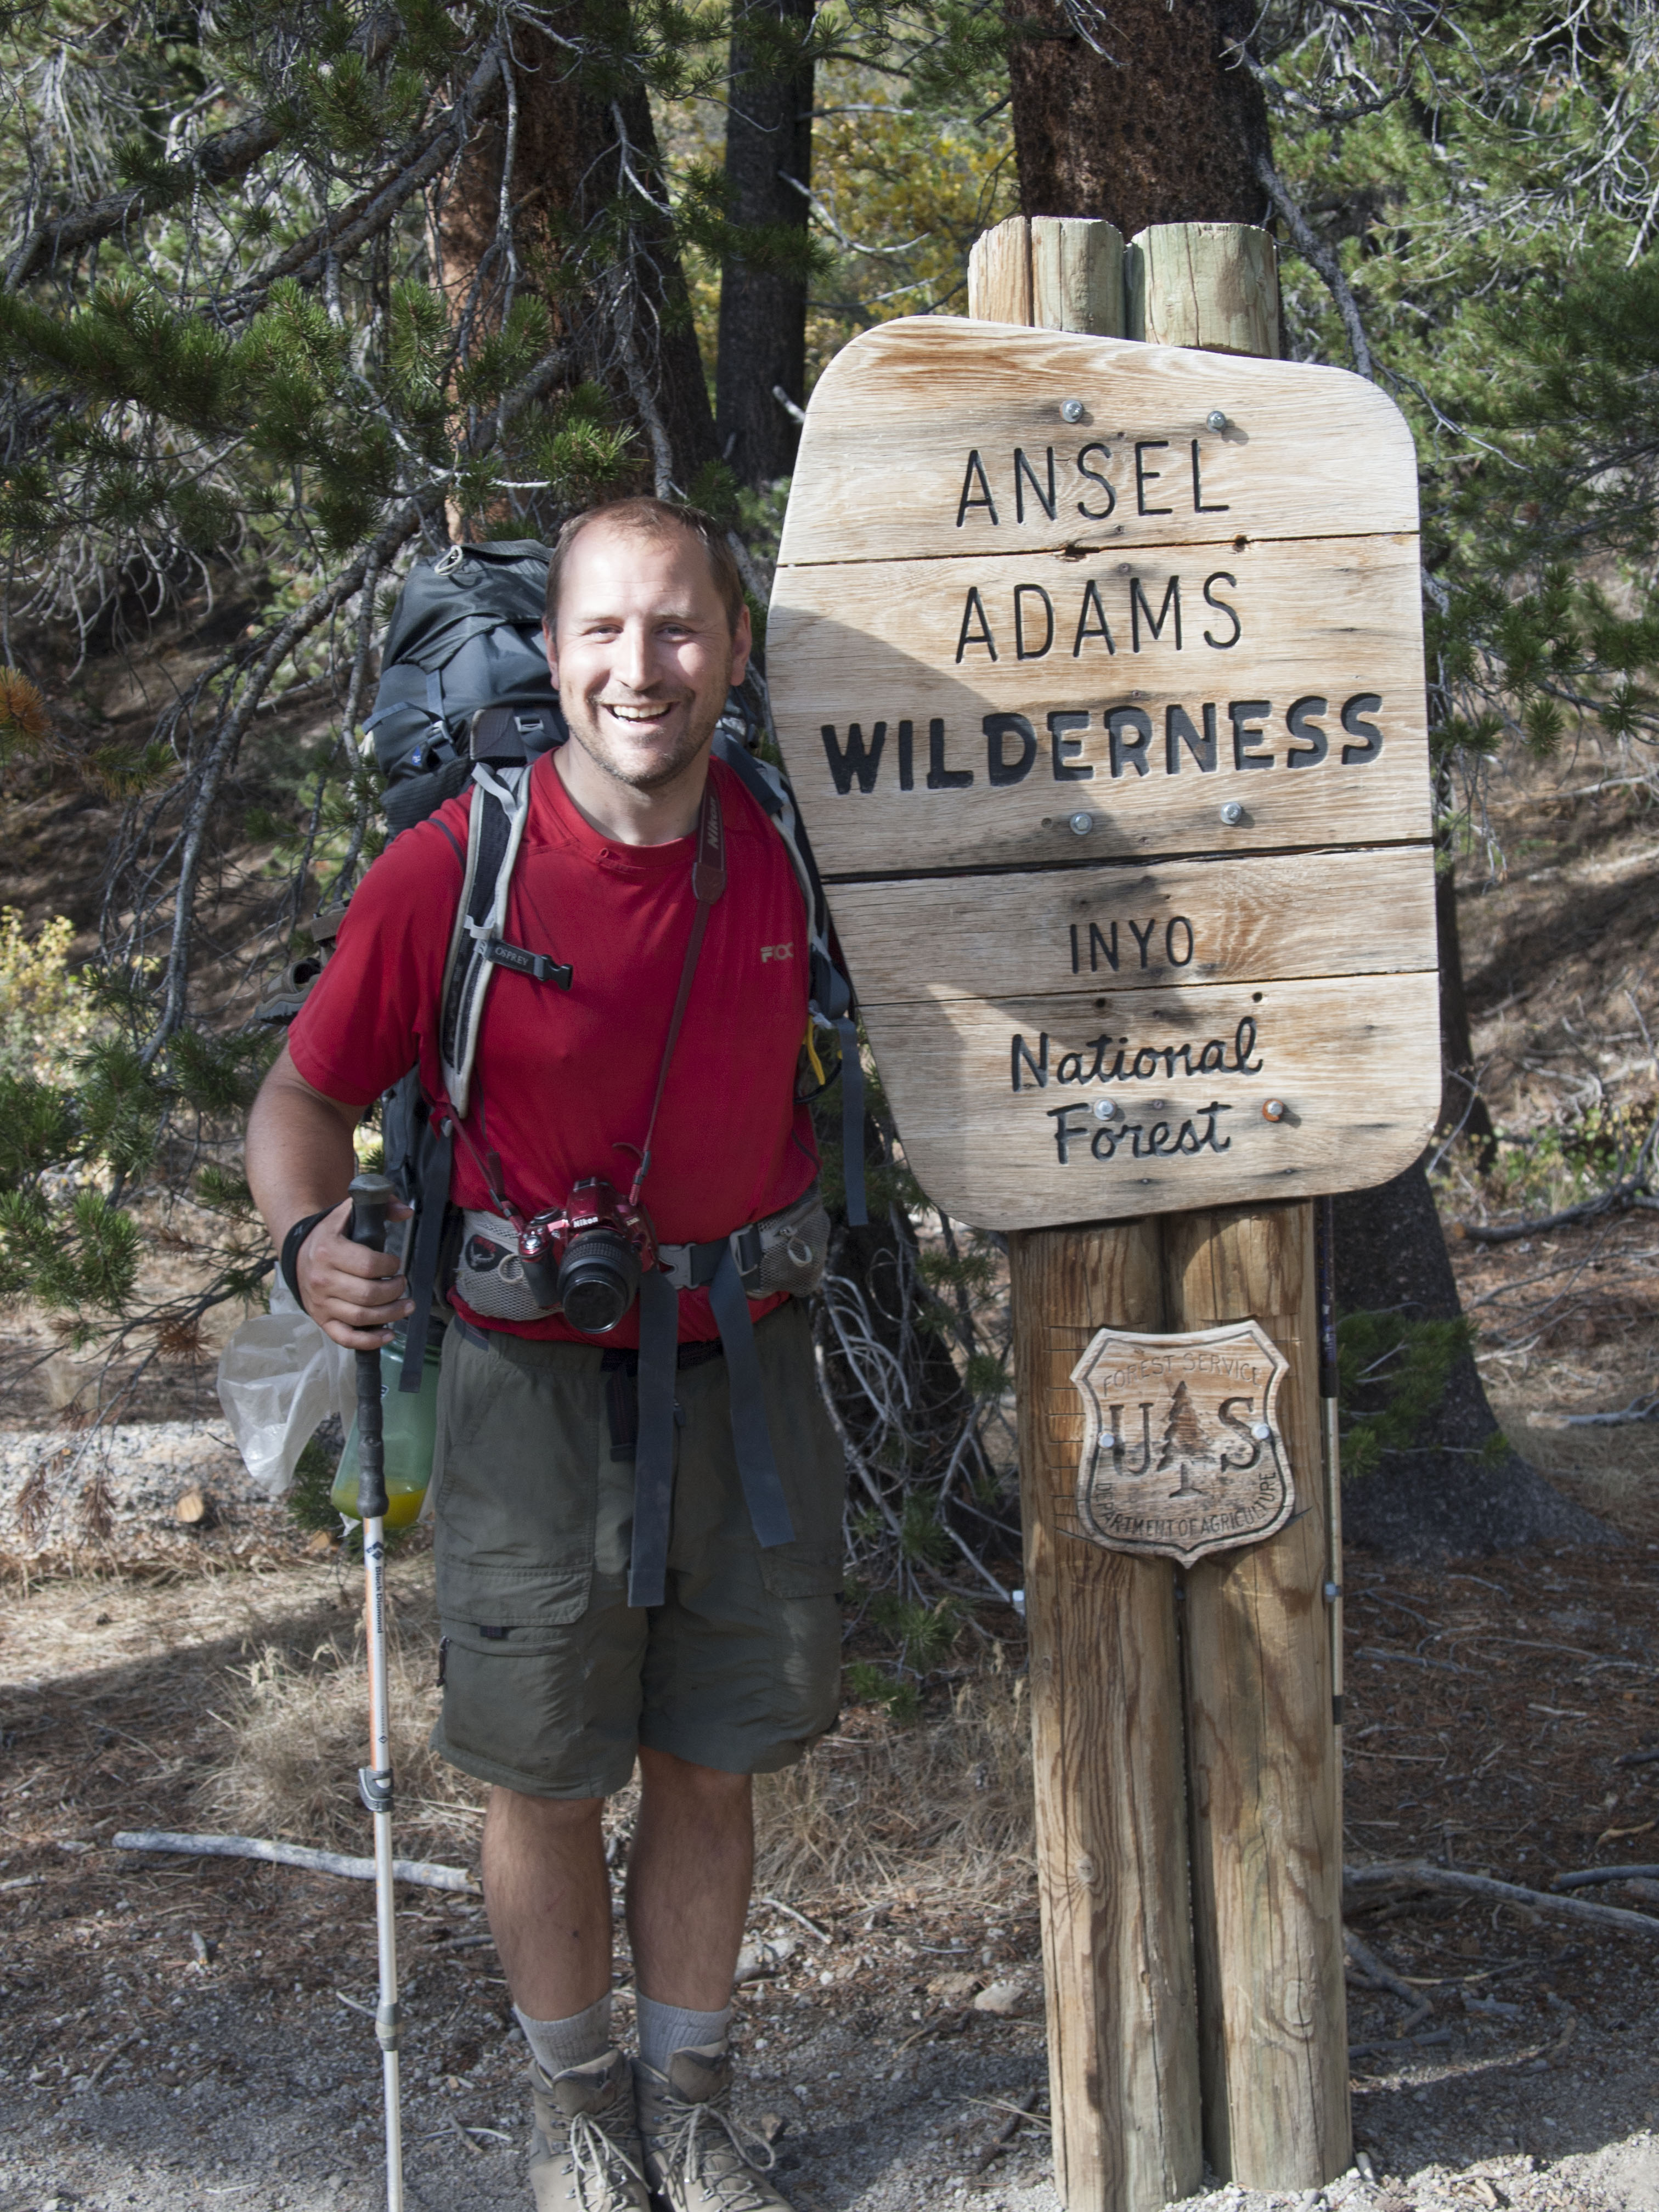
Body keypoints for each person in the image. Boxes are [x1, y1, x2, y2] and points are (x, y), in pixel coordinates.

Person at [245, 498, 845, 2212]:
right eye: (604, 631)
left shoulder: (791, 846)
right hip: (526, 1387)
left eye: (677, 628)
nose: (640, 668)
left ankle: (694, 2107)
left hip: (747, 1359)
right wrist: (308, 1243)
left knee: (710, 1757)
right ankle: (579, 2110)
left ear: (735, 648)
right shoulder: (455, 870)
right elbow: (299, 1098)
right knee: (543, 1772)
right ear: (556, 650)